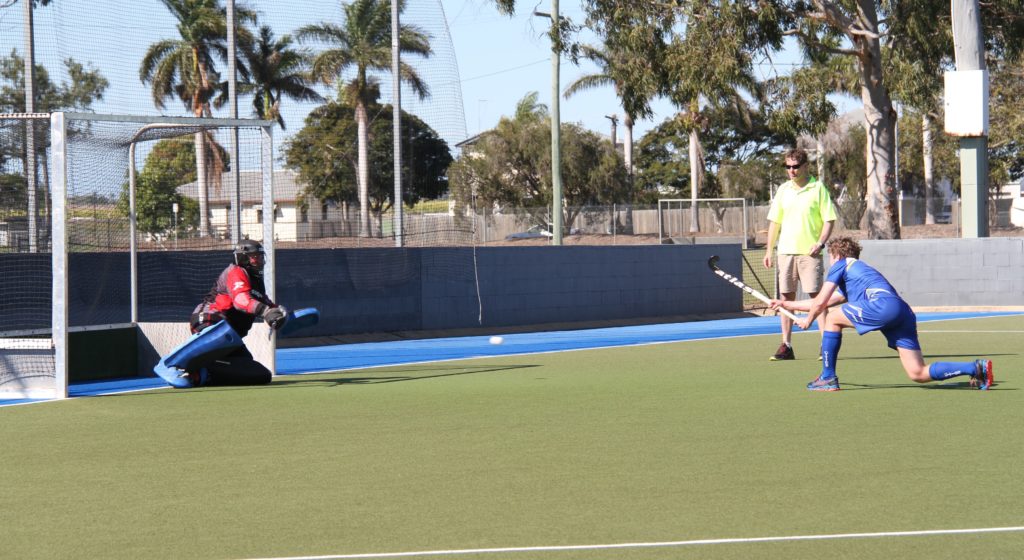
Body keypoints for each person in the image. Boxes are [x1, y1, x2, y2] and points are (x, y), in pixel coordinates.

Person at [770, 236, 993, 392]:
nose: (830, 263)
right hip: (902, 312)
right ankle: (975, 368)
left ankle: (827, 377)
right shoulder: (857, 275)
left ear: (836, 255)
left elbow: (821, 301)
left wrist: (808, 320)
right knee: (918, 373)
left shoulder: (843, 263)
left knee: (833, 318)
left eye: (830, 257)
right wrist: (785, 304)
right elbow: (822, 301)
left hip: (884, 306)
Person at [763, 148, 837, 361]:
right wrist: (769, 250)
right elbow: (774, 222)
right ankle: (786, 345)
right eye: (788, 167)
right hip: (785, 253)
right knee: (785, 299)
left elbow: (829, 220)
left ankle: (826, 346)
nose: (792, 171)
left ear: (805, 166)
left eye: (795, 166)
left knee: (818, 298)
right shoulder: (783, 190)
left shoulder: (818, 188)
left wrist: (820, 243)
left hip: (809, 254)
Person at [184, 239, 288, 386]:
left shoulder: (256, 282)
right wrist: (266, 311)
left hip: (231, 336)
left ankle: (202, 374)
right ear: (242, 257)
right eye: (254, 256)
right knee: (219, 343)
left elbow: (270, 306)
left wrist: (280, 313)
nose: (258, 260)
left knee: (259, 374)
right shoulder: (237, 271)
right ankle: (192, 364)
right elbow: (241, 300)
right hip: (211, 321)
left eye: (259, 256)